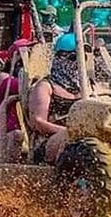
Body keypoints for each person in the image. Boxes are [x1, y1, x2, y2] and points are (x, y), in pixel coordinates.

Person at [27, 33, 91, 164]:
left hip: (83, 140)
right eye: (74, 57)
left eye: (83, 58)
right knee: (71, 140)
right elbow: (38, 122)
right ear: (61, 58)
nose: (79, 63)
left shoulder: (87, 85)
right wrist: (70, 132)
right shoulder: (45, 86)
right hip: (50, 141)